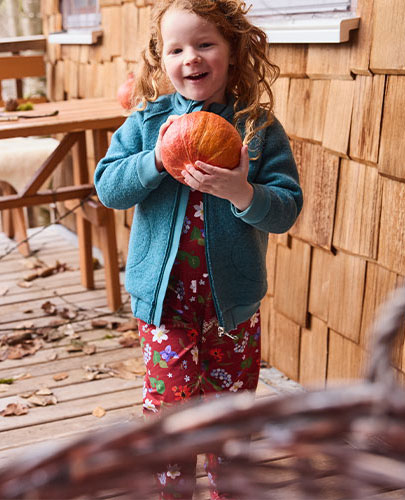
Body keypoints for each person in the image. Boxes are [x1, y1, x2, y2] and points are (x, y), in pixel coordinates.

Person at [94, 0, 303, 497]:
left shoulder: (257, 128)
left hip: (232, 306)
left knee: (229, 416)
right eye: (177, 48)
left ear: (232, 52)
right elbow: (108, 187)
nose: (192, 57)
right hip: (165, 304)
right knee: (172, 411)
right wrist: (154, 162)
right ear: (160, 60)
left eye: (206, 43)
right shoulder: (147, 123)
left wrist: (242, 192)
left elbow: (286, 208)